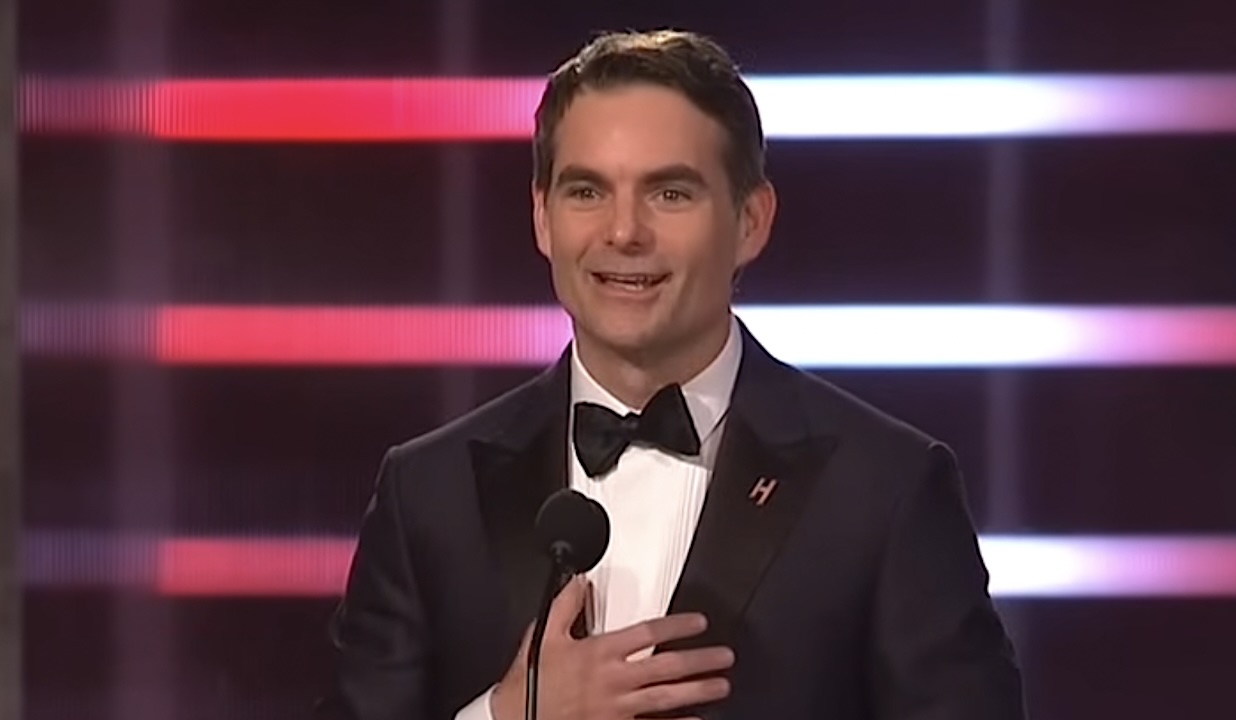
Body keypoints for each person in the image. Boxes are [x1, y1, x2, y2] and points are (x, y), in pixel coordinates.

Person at [317, 28, 1026, 720]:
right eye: (586, 192)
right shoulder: (427, 494)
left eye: (670, 194)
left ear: (751, 221)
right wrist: (509, 715)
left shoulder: (887, 489)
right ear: (541, 218)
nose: (623, 231)